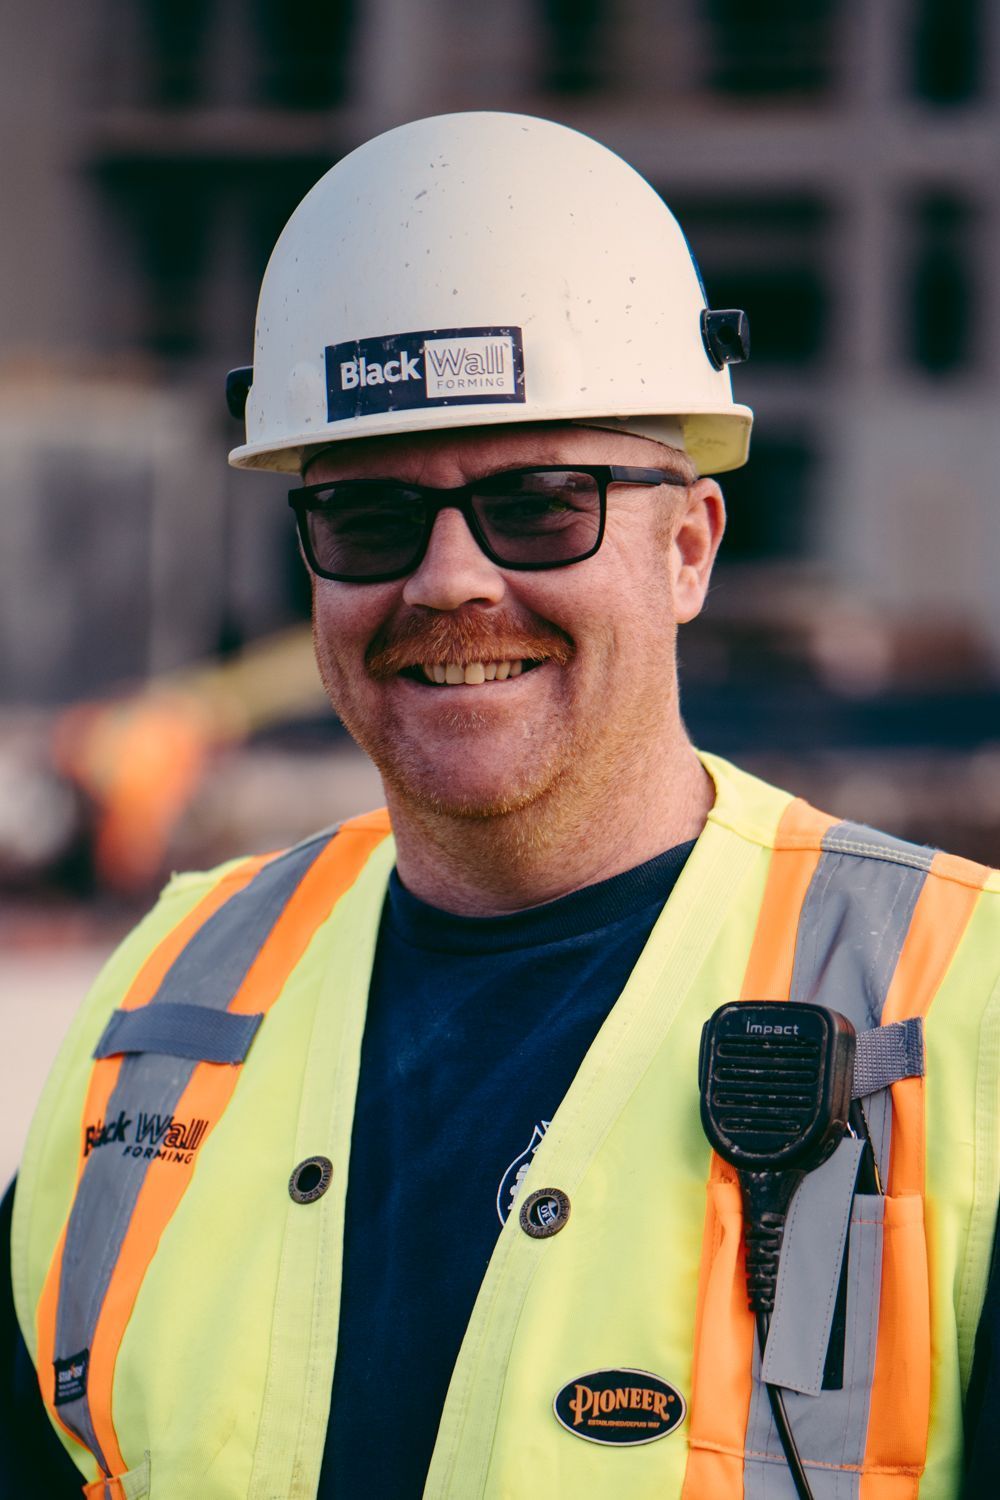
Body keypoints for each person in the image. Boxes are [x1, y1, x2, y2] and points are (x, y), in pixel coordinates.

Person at [2, 112, 998, 1500]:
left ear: (690, 546)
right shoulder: (161, 1012)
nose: (451, 581)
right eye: (369, 516)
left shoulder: (961, 1015)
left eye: (541, 505)